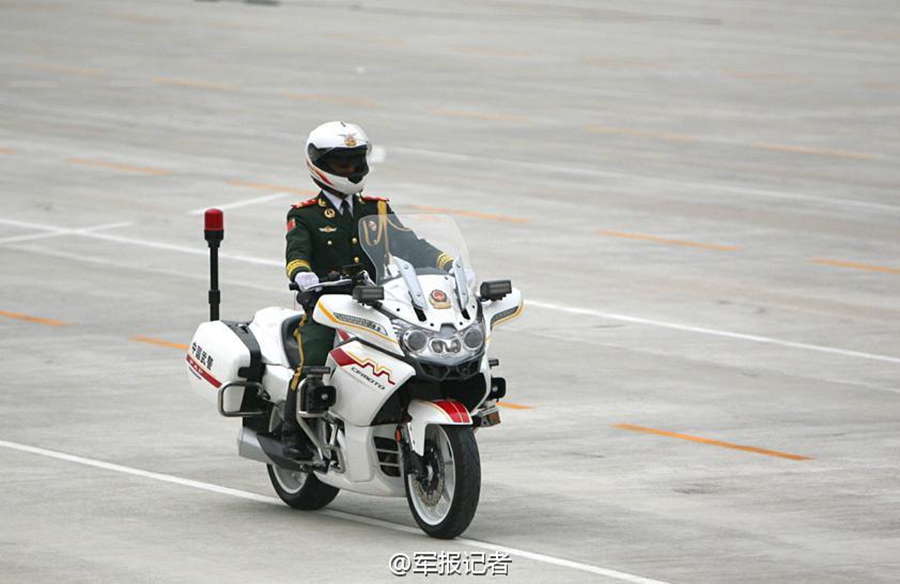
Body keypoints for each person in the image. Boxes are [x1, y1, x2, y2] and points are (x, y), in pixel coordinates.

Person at [281, 121, 452, 459]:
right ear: (321, 165)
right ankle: (292, 434)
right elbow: (295, 254)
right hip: (329, 305)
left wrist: (447, 262)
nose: (351, 170)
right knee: (313, 357)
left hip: (380, 302)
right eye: (343, 163)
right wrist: (302, 275)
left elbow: (410, 246)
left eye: (356, 162)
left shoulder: (376, 209)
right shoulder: (306, 215)